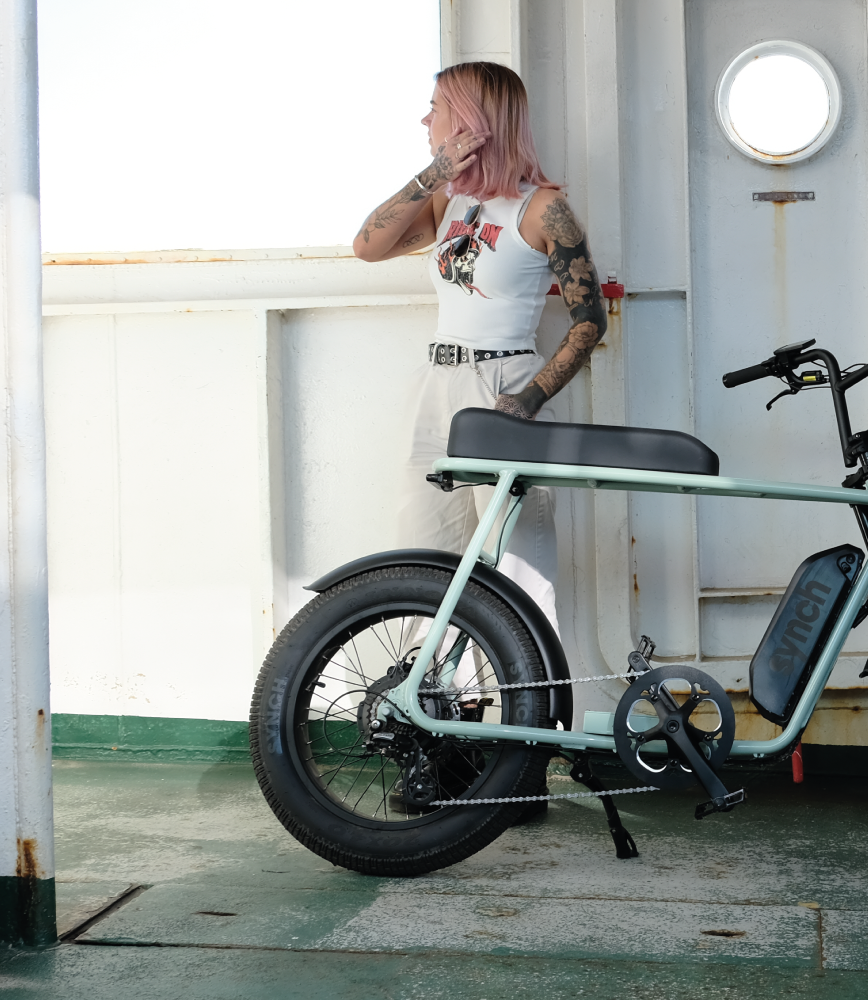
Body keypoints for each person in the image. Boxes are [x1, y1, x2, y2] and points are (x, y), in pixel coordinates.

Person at [352, 62, 604, 815]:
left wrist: (528, 399)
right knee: (428, 566)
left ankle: (520, 764)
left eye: (436, 108)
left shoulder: (543, 208)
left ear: (473, 118)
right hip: (437, 387)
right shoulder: (445, 198)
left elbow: (588, 320)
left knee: (517, 576)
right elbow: (366, 246)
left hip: (503, 385)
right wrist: (436, 170)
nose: (424, 120)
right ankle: (442, 754)